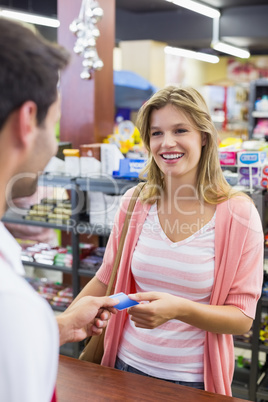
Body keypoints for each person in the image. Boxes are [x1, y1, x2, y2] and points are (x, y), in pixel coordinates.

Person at [69, 85, 264, 396]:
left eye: (180, 130)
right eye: (156, 133)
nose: (167, 142)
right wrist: (60, 325)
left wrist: (179, 309)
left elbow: (241, 319)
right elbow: (105, 277)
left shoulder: (238, 213)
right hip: (124, 368)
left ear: (203, 135)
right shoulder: (135, 202)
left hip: (194, 383)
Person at [0, 18, 118, 402]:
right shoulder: (13, 307)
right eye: (54, 124)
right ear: (27, 121)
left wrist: (61, 325)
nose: (54, 147)